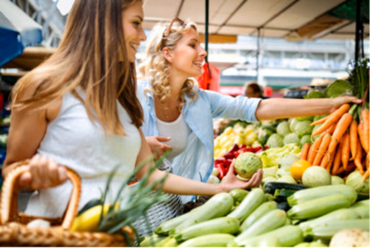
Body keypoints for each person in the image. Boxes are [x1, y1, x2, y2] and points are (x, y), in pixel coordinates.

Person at [2, 0, 262, 226]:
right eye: (136, 23)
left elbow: (152, 176)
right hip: (54, 233)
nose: (142, 35)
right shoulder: (45, 86)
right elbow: (12, 169)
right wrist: (34, 175)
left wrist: (220, 188)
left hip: (114, 235)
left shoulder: (122, 93)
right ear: (103, 22)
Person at [137, 18, 362, 203]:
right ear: (168, 53)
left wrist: (331, 104)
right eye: (193, 44)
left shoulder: (199, 100)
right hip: (128, 207)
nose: (203, 52)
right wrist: (134, 145)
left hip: (172, 204)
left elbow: (259, 107)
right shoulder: (134, 96)